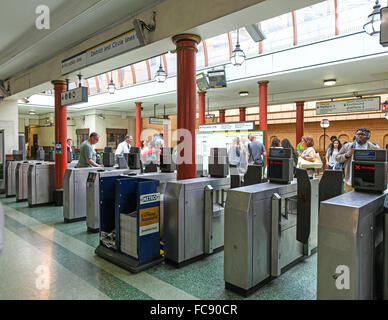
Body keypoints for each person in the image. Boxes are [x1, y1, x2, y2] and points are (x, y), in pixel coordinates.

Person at [336, 128, 380, 193]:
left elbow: (380, 162)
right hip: (349, 181)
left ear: (368, 137)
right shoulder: (347, 146)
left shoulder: (374, 148)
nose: (360, 136)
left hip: (366, 182)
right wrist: (346, 155)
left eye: (363, 134)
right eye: (358, 134)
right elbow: (337, 158)